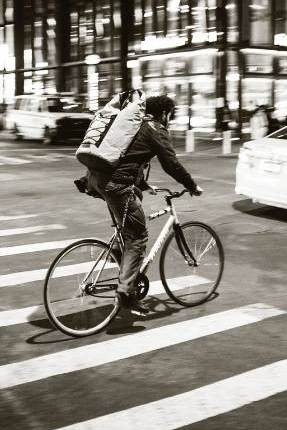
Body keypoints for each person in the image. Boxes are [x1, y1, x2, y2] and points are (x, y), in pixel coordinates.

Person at [82, 94, 203, 318]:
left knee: (127, 228)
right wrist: (192, 185)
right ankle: (126, 293)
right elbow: (171, 164)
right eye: (171, 115)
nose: (170, 119)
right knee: (138, 237)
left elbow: (127, 157)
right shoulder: (155, 129)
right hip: (116, 185)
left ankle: (121, 260)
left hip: (96, 179)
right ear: (165, 113)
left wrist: (145, 185)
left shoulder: (135, 125)